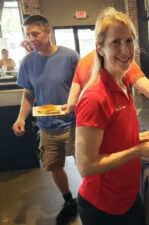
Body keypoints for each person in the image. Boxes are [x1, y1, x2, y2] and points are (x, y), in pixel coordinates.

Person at [75, 7, 149, 225]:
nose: (125, 50)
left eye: (129, 40)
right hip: (103, 206)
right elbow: (86, 166)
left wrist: (143, 137)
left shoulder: (124, 82)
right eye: (115, 42)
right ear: (100, 48)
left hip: (128, 197)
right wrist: (139, 150)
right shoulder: (95, 97)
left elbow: (112, 142)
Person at [11, 15, 79, 225]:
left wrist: (74, 106)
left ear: (48, 32)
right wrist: (21, 117)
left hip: (75, 123)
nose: (31, 39)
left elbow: (85, 88)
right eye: (28, 35)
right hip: (47, 126)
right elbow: (28, 93)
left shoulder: (70, 56)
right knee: (54, 165)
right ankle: (69, 202)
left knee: (85, 163)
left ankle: (92, 198)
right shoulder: (27, 62)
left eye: (35, 34)